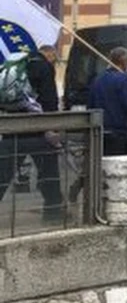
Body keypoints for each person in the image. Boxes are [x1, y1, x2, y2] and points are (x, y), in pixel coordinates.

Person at [25, 45, 64, 219]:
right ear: (50, 54)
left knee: (4, 171)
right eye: (54, 58)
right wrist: (52, 125)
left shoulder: (24, 63)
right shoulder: (44, 66)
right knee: (49, 170)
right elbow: (49, 98)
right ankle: (53, 212)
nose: (55, 61)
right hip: (39, 124)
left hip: (17, 122)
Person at [87, 46, 127, 155]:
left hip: (100, 130)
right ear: (124, 61)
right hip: (118, 130)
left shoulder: (97, 79)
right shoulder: (123, 79)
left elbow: (90, 104)